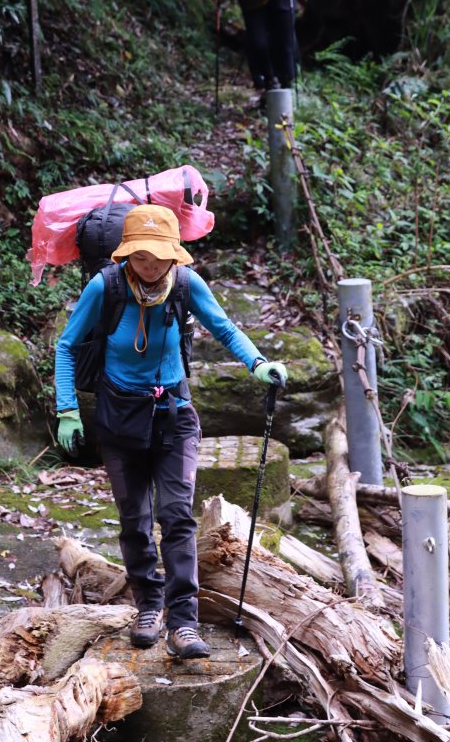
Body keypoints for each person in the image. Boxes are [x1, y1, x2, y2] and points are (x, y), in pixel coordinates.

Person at [54, 204, 287, 660]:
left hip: (174, 416)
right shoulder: (106, 287)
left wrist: (258, 364)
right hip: (120, 419)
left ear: (174, 254)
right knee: (135, 520)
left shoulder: (184, 283)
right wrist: (68, 409)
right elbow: (66, 345)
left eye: (160, 257)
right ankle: (147, 608)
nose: (151, 266)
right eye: (141, 257)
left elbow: (224, 326)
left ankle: (183, 622)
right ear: (127, 253)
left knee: (177, 517)